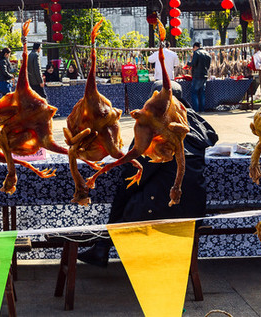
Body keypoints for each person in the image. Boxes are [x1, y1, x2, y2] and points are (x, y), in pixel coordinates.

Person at [78, 81, 218, 267]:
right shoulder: (193, 123)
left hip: (167, 211)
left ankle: (103, 245)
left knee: (127, 191)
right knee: (138, 190)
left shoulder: (157, 124)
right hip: (194, 210)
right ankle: (103, 245)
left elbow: (135, 169)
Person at [187, 42, 211, 112]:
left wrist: (188, 63)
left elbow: (193, 64)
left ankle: (196, 110)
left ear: (195, 47)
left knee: (194, 92)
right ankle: (202, 110)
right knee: (202, 93)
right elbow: (208, 66)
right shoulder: (207, 54)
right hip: (205, 75)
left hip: (197, 75)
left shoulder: (196, 53)